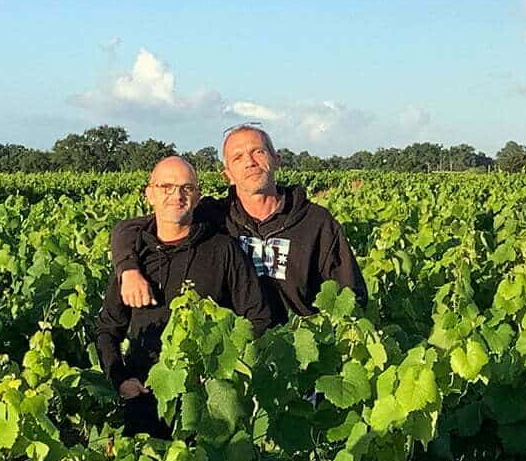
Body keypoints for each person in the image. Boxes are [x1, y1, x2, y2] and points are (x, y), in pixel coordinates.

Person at [109, 124, 366, 326]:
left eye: (258, 151)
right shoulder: (212, 216)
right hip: (234, 354)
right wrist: (128, 269)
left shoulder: (315, 222)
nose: (250, 162)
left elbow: (349, 293)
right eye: (238, 157)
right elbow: (131, 229)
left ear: (276, 159)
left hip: (297, 357)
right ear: (228, 174)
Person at [96, 156, 272, 437]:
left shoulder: (223, 250)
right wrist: (120, 380)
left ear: (197, 195)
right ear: (150, 193)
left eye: (186, 188)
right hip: (144, 395)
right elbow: (108, 329)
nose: (176, 196)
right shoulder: (132, 260)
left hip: (205, 400)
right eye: (166, 187)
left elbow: (257, 317)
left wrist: (223, 369)